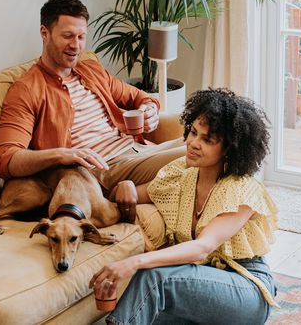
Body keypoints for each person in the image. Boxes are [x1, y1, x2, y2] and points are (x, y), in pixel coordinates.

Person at [90, 88, 280, 325]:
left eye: (207, 139)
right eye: (193, 132)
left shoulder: (242, 189)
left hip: (244, 290)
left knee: (153, 277)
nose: (193, 143)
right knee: (138, 311)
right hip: (197, 290)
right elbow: (135, 194)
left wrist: (133, 262)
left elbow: (202, 247)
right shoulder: (181, 175)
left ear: (230, 148)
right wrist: (126, 185)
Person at [0, 0, 186, 220]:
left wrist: (149, 109)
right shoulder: (27, 89)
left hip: (139, 149)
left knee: (208, 140)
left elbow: (138, 96)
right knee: (195, 155)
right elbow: (6, 160)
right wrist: (61, 155)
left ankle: (133, 191)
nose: (76, 45)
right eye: (67, 36)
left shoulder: (91, 69)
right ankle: (116, 193)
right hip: (103, 169)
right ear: (44, 33)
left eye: (81, 36)